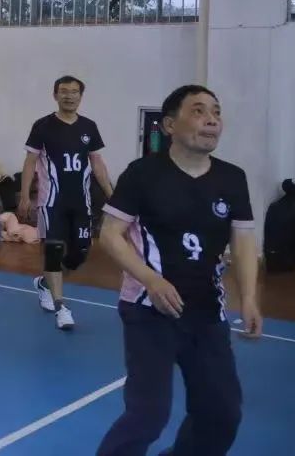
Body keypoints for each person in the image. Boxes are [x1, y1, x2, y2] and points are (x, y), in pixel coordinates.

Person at [97, 85, 261, 456]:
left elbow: (243, 241)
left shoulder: (233, 178)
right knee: (148, 416)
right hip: (148, 309)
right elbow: (109, 235)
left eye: (216, 112)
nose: (212, 119)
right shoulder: (142, 173)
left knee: (222, 415)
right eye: (199, 110)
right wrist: (151, 280)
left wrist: (249, 297)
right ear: (170, 125)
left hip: (206, 312)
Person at [17, 75, 113, 331]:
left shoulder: (89, 127)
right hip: (51, 202)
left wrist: (112, 196)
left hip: (81, 202)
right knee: (53, 250)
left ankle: (44, 283)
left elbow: (97, 163)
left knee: (79, 254)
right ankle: (61, 307)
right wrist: (25, 195)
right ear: (55, 95)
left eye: (74, 92)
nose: (69, 96)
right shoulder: (43, 126)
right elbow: (30, 162)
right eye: (64, 91)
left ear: (81, 96)